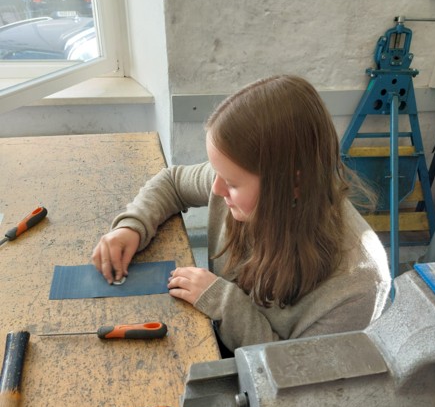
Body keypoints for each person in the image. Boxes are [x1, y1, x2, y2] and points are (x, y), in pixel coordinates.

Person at [92, 75, 391, 354]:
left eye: (232, 183)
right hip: (219, 343)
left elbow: (292, 372)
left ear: (294, 183)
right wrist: (131, 227)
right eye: (218, 174)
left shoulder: (357, 284)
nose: (217, 189)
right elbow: (172, 182)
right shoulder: (247, 182)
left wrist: (223, 302)